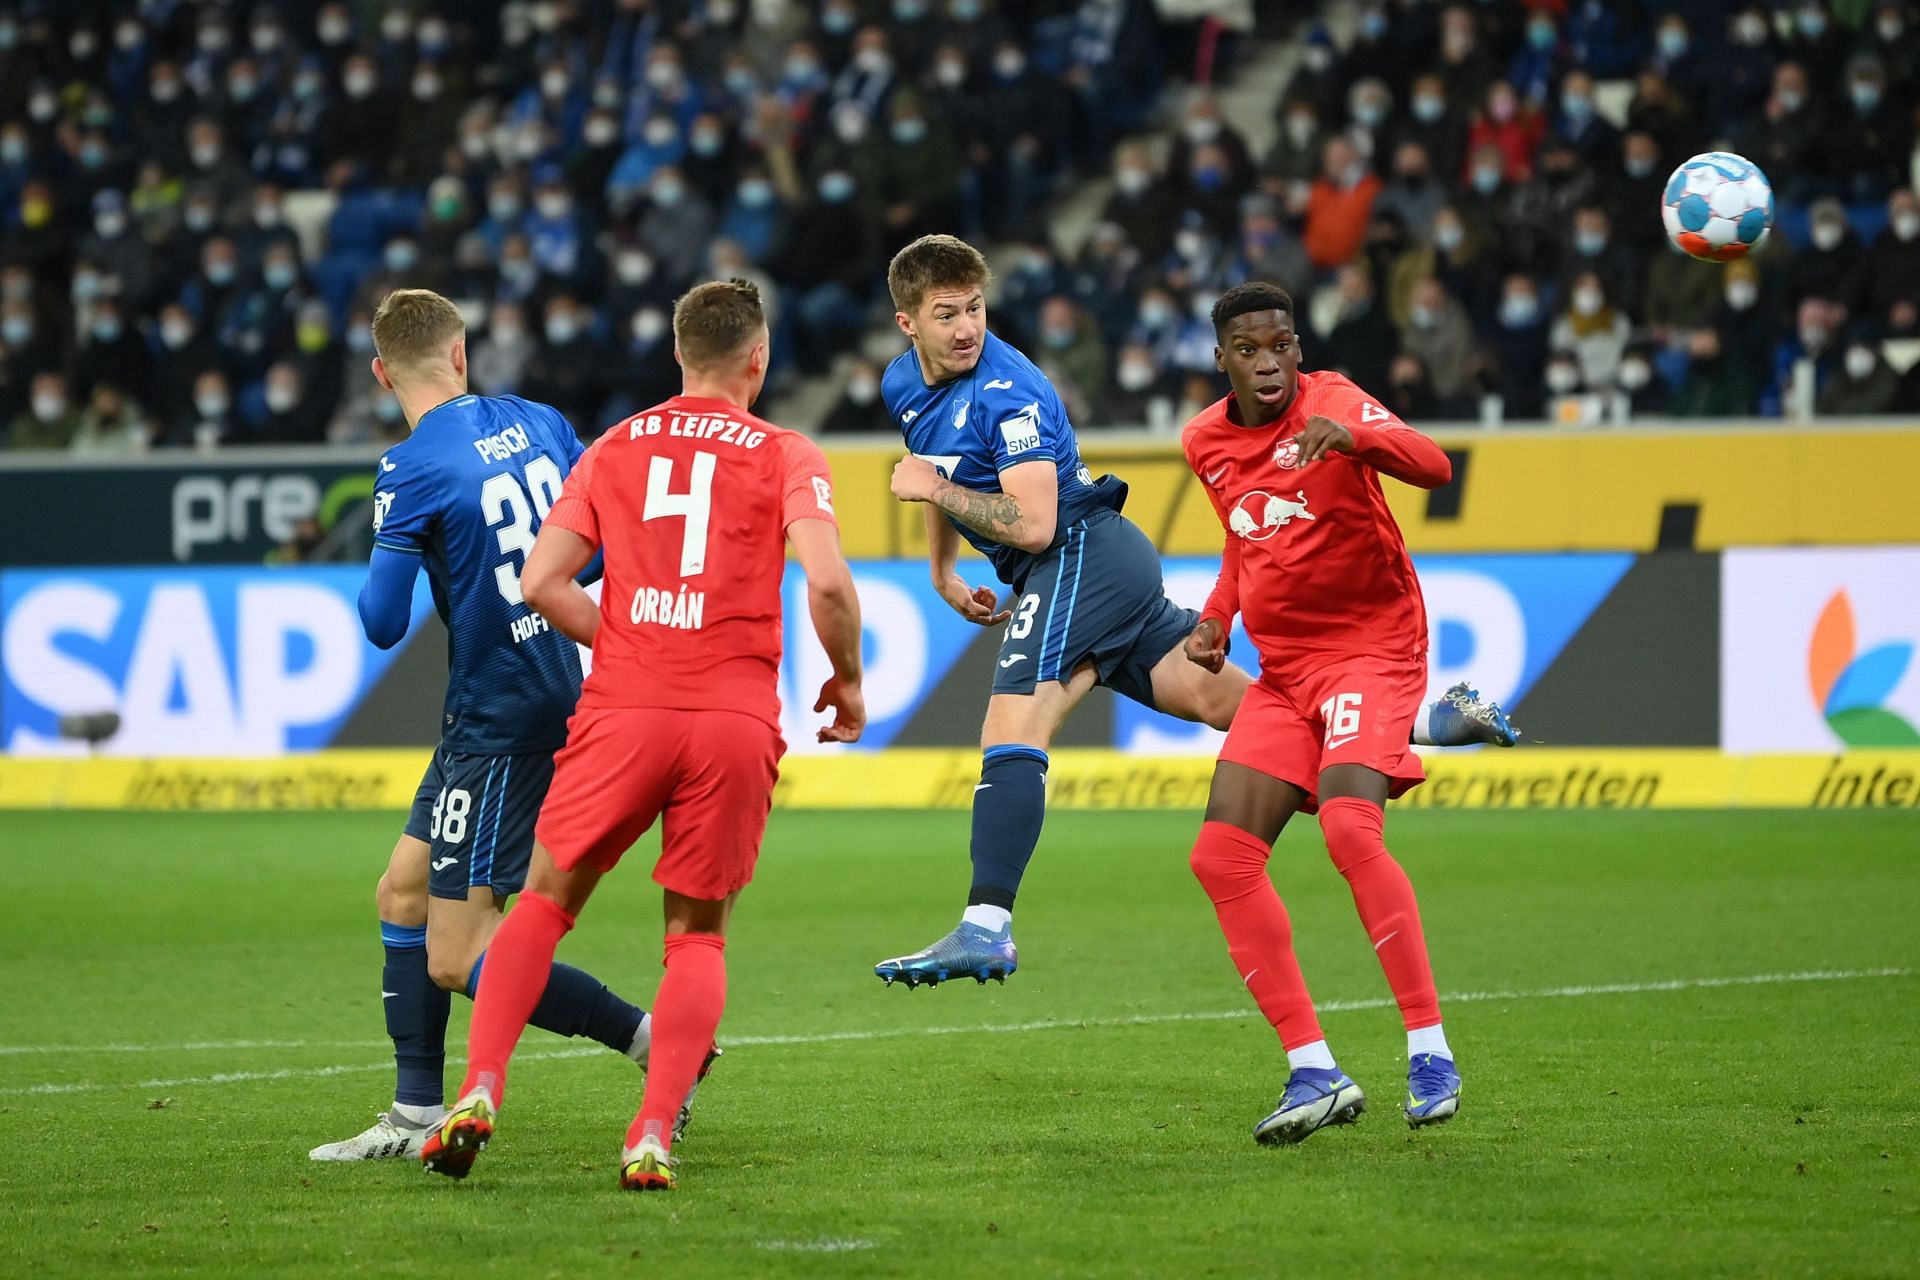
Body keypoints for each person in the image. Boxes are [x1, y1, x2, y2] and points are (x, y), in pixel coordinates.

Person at [871, 236, 1514, 989]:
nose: (966, 328)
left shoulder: (1007, 391)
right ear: (907, 325)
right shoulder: (901, 383)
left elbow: (1031, 522)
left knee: (1013, 724)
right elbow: (932, 463)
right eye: (946, 314)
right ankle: (1423, 723)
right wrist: (942, 566)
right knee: (1228, 704)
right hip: (1093, 569)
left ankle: (986, 927)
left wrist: (937, 495)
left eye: (975, 309)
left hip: (1076, 554)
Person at [421, 279, 865, 1192]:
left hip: (623, 708)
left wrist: (627, 638)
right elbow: (825, 582)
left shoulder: (616, 445)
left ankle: (479, 1089)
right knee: (697, 939)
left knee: (541, 905)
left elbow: (543, 581)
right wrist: (846, 680)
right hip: (732, 720)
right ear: (760, 358)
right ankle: (653, 1133)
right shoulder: (789, 452)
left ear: (676, 354)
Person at [309, 290, 662, 1163]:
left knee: (456, 956)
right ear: (463, 354)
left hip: (500, 718)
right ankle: (415, 1109)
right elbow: (606, 550)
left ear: (382, 373)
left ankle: (655, 1046)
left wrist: (401, 538)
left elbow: (383, 622)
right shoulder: (540, 420)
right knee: (400, 891)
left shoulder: (411, 467)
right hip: (544, 689)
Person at [1179, 282, 1462, 1145]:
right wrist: (1218, 615)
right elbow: (1244, 530)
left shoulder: (1334, 400)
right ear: (1222, 359)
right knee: (1220, 857)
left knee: (1348, 829)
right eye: (1250, 350)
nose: (1270, 363)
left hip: (1373, 645)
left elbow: (1436, 466)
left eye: (1282, 346)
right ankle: (1313, 1068)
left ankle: (1429, 1048)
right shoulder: (1204, 440)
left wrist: (1360, 436)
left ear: (1297, 347)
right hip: (1285, 668)